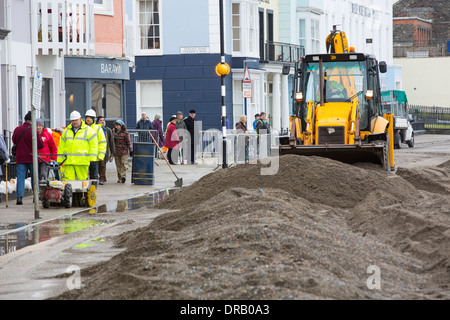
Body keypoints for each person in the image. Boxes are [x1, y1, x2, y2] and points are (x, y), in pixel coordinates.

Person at [12, 111, 44, 205]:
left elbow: (14, 140)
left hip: (20, 158)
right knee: (35, 177)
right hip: (31, 157)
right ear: (32, 120)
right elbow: (41, 145)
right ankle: (36, 196)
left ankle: (19, 198)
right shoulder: (33, 130)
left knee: (20, 177)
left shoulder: (17, 129)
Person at [57, 111, 98, 182]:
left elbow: (93, 145)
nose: (74, 122)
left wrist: (92, 158)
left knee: (82, 182)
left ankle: (81, 193)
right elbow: (61, 146)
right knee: (68, 181)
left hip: (82, 162)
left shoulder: (88, 130)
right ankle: (69, 193)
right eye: (73, 120)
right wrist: (59, 160)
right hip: (69, 161)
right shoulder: (66, 131)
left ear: (80, 119)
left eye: (76, 120)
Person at [85, 109, 107, 181]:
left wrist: (101, 155)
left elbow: (102, 143)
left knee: (94, 177)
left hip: (94, 156)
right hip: (83, 156)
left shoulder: (98, 129)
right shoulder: (82, 128)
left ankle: (93, 190)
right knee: (83, 177)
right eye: (87, 117)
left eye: (90, 118)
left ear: (93, 119)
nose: (88, 119)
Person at [112, 119, 132, 183]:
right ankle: (119, 178)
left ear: (121, 126)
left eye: (118, 125)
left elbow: (128, 142)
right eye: (116, 125)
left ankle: (123, 176)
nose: (116, 126)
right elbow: (112, 142)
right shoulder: (114, 132)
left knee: (124, 164)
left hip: (124, 151)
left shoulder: (125, 133)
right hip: (116, 151)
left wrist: (131, 150)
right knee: (118, 165)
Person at [97, 116, 115, 185]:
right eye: (100, 120)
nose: (102, 122)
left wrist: (112, 151)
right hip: (95, 150)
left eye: (103, 120)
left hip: (104, 151)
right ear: (98, 122)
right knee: (97, 165)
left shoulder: (108, 130)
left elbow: (111, 141)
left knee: (102, 165)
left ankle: (102, 178)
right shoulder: (95, 129)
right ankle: (101, 177)